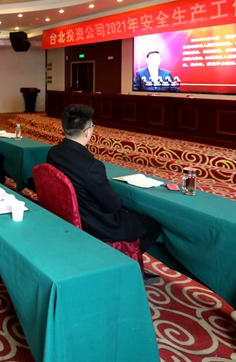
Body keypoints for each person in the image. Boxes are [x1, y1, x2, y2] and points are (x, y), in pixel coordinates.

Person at [46, 104, 162, 284]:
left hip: (66, 216)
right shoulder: (92, 166)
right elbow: (113, 205)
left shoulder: (53, 152)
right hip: (97, 224)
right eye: (92, 126)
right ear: (87, 132)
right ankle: (125, 266)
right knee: (153, 226)